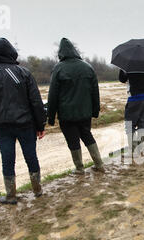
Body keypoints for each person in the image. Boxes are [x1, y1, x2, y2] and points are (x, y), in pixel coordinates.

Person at [0, 38, 46, 204]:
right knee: (31, 156)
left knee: (7, 160)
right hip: (25, 124)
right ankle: (38, 190)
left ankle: (11, 195)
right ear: (10, 50)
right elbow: (36, 101)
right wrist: (40, 124)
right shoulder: (23, 72)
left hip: (1, 126)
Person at [47, 38, 104, 174]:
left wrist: (50, 116)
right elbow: (95, 92)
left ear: (60, 53)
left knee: (73, 141)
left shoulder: (58, 69)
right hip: (85, 113)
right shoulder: (88, 67)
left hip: (66, 115)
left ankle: (79, 168)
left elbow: (53, 95)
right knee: (87, 135)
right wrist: (95, 111)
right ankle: (99, 164)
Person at [119, 68, 144, 151]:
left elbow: (122, 79)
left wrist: (121, 69)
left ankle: (133, 148)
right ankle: (140, 147)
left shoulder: (130, 65)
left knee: (129, 124)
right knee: (143, 122)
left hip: (135, 98)